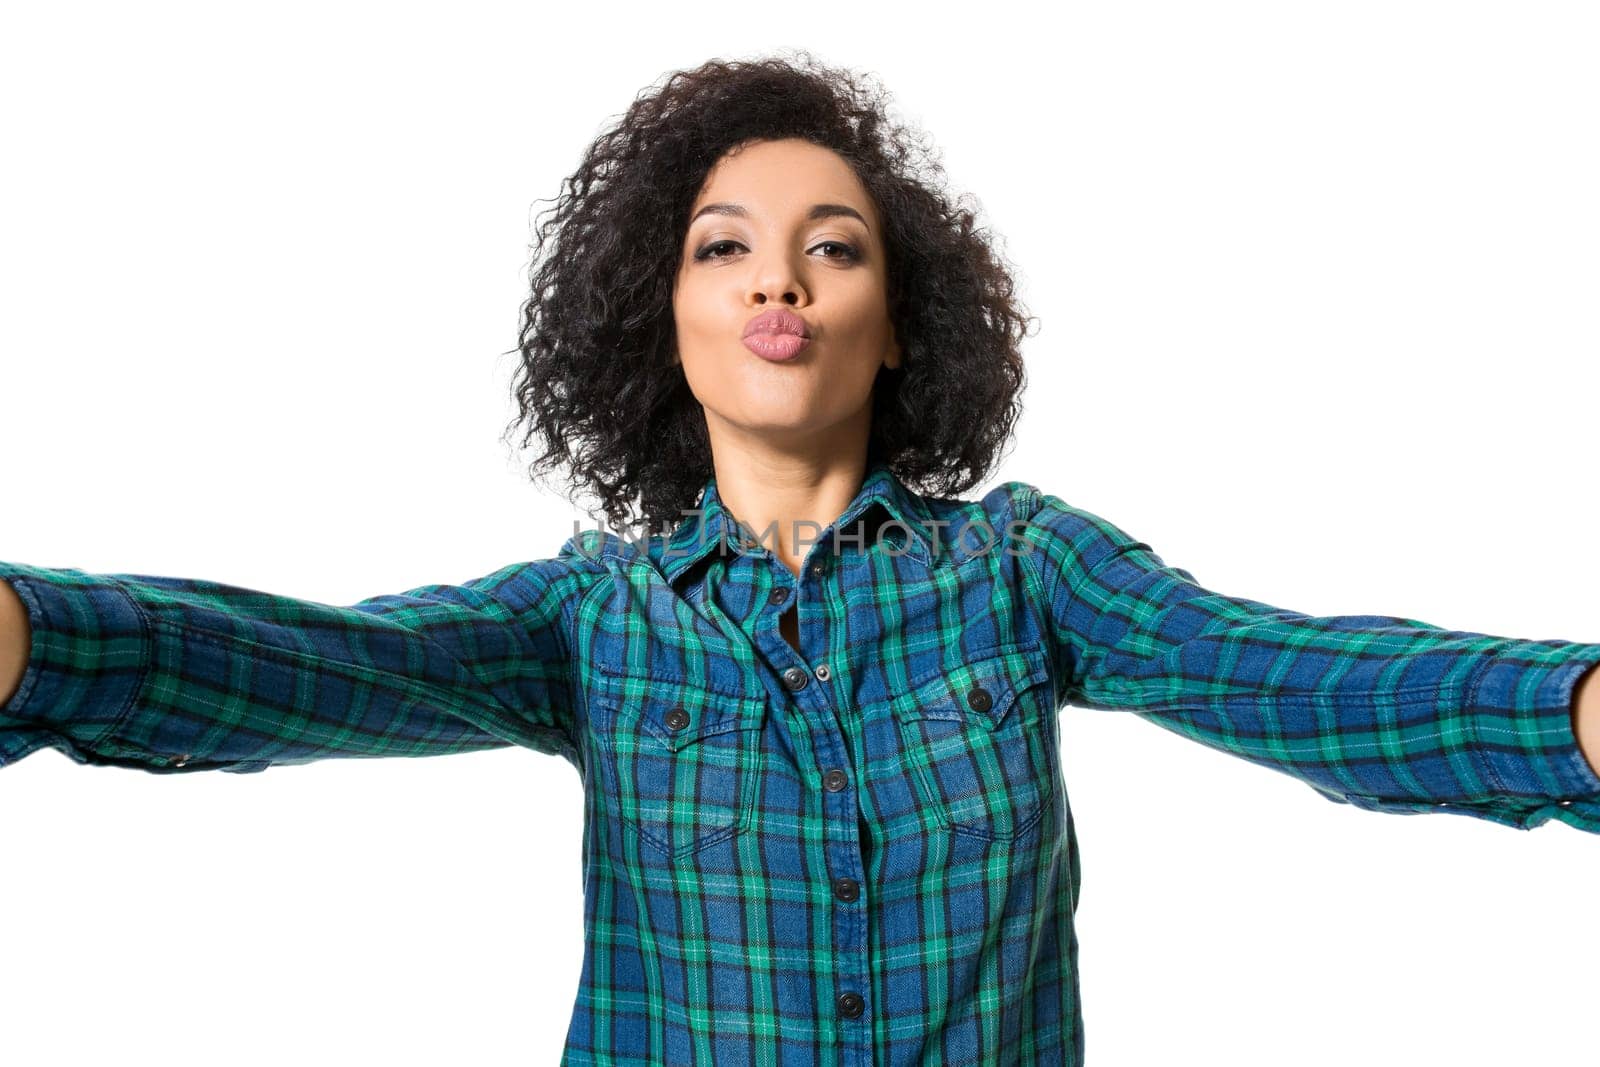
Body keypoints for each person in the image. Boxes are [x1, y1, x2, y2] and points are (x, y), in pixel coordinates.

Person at [2, 51, 1598, 1066]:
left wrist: (1571, 715)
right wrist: (33, 640)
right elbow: (324, 666)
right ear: (665, 317)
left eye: (834, 246)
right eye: (725, 248)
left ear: (899, 322)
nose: (783, 279)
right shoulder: (593, 618)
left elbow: (1281, 674)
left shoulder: (1023, 574)